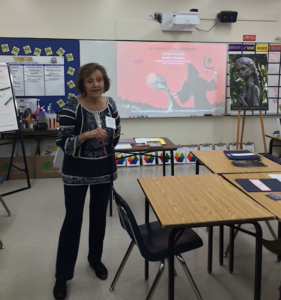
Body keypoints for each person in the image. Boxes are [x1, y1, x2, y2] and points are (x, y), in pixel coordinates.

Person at [53, 63, 121, 300]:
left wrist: (106, 141)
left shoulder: (110, 104)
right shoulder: (72, 106)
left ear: (105, 82)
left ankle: (95, 260)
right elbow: (63, 141)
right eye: (90, 80)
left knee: (99, 217)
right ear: (82, 84)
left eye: (99, 80)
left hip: (103, 169)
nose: (96, 84)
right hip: (76, 172)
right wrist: (86, 136)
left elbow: (117, 132)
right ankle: (62, 276)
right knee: (73, 220)